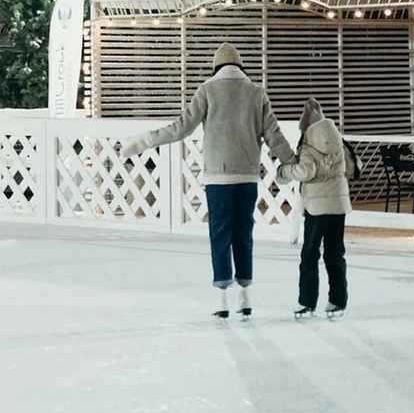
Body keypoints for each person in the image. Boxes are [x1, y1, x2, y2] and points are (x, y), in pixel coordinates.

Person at [120, 42, 296, 319]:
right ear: (240, 66)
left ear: (215, 68)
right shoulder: (256, 92)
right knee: (243, 234)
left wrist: (144, 141)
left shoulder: (208, 90)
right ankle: (245, 296)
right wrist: (292, 163)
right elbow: (274, 135)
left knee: (220, 234)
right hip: (248, 175)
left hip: (218, 176)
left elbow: (181, 128)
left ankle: (223, 299)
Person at [276, 98, 352, 318]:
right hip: (338, 206)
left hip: (317, 207)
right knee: (335, 254)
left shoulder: (309, 146)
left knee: (310, 254)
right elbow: (351, 166)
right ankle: (338, 300)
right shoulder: (337, 142)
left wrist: (284, 172)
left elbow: (305, 172)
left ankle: (307, 301)